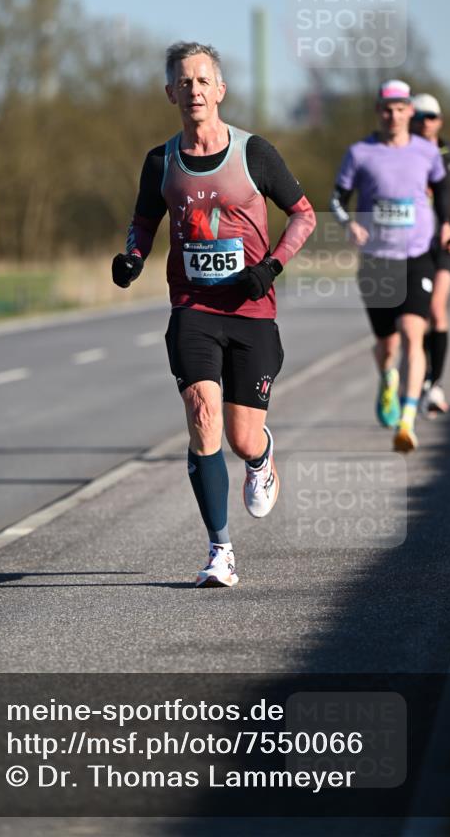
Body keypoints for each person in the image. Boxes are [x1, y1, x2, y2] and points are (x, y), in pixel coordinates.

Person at [112, 41, 316, 588]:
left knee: (241, 438)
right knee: (202, 415)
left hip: (251, 311)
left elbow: (303, 216)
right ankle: (220, 550)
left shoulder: (255, 154)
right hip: (193, 307)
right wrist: (132, 257)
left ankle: (261, 458)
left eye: (204, 80)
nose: (194, 89)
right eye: (184, 81)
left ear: (220, 90)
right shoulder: (161, 161)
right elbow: (143, 222)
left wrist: (270, 267)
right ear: (169, 92)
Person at [330, 80, 450, 452]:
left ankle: (407, 417)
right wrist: (348, 224)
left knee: (414, 335)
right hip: (376, 261)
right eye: (387, 109)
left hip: (417, 257)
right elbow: (337, 198)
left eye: (401, 108)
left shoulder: (425, 151)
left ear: (410, 112)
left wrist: (446, 223)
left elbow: (444, 190)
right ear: (378, 112)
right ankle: (387, 375)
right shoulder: (360, 153)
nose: (394, 115)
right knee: (388, 344)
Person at [410, 93, 450, 414]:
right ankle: (421, 379)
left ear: (440, 121)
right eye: (419, 116)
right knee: (415, 318)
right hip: (412, 244)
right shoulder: (402, 153)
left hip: (444, 242)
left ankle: (434, 384)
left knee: (436, 310)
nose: (425, 122)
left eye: (431, 116)